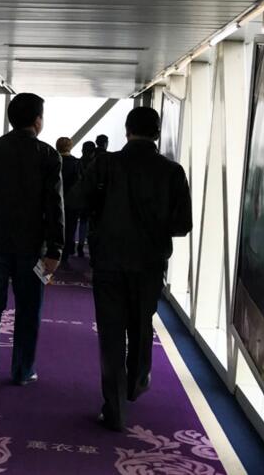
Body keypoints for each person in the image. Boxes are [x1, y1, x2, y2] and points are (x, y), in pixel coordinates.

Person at [83, 107, 191, 430]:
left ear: (127, 131)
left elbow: (77, 201)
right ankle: (137, 381)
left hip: (109, 261)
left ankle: (115, 407)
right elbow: (182, 225)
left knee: (111, 332)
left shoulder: (105, 163)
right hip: (149, 264)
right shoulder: (172, 172)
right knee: (141, 323)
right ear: (157, 134)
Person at [0, 93, 64, 398]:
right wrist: (55, 249)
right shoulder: (48, 155)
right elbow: (54, 206)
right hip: (32, 248)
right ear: (38, 121)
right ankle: (22, 370)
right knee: (29, 309)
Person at [56, 137, 83, 270]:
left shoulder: (53, 161)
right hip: (71, 203)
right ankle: (65, 256)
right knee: (70, 229)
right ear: (70, 147)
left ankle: (53, 254)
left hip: (55, 201)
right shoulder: (77, 163)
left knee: (54, 227)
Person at [75, 141, 97, 258]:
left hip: (77, 197)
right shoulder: (95, 165)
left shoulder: (77, 163)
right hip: (90, 198)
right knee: (88, 223)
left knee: (77, 222)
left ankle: (76, 245)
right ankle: (83, 245)